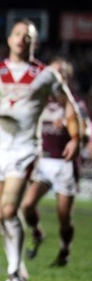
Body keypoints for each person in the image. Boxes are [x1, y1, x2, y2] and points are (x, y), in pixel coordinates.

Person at [0, 19, 81, 281]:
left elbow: (70, 106)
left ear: (35, 43)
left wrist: (76, 138)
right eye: (18, 34)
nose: (22, 39)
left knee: (10, 209)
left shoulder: (46, 75)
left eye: (28, 36)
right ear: (9, 39)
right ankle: (17, 264)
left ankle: (14, 271)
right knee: (1, 213)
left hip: (25, 149)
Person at [21, 58, 88, 267]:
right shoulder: (41, 100)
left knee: (64, 217)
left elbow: (85, 134)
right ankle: (37, 231)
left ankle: (64, 251)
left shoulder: (75, 103)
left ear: (66, 78)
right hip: (44, 161)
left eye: (58, 72)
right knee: (26, 206)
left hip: (64, 164)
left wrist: (72, 128)